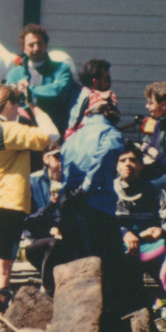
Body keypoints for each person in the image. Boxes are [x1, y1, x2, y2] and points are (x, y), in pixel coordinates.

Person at [0, 84, 59, 311]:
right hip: (6, 204)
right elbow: (52, 134)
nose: (18, 111)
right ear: (9, 105)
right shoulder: (11, 132)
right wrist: (33, 106)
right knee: (4, 259)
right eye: (16, 106)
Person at [57, 91, 128, 283]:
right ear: (108, 111)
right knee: (105, 264)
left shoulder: (72, 138)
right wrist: (86, 188)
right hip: (96, 205)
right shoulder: (111, 134)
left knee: (77, 262)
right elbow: (103, 159)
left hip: (69, 206)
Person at [114, 145, 166, 323]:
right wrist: (124, 232)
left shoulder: (155, 192)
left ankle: (162, 301)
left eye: (133, 160)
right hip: (119, 248)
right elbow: (101, 223)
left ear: (141, 165)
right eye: (123, 160)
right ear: (116, 166)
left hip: (149, 247)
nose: (128, 164)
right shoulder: (109, 192)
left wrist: (162, 231)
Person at [5, 24, 76, 130]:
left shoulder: (61, 68)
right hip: (24, 132)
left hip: (55, 130)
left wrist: (28, 90)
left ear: (45, 45)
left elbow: (58, 90)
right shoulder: (15, 73)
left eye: (40, 43)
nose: (36, 48)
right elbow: (8, 99)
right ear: (23, 48)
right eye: (31, 45)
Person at [66, 59, 112, 137]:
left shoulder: (78, 93)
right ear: (95, 82)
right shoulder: (96, 99)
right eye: (107, 80)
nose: (109, 83)